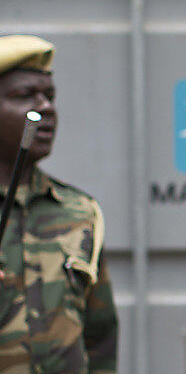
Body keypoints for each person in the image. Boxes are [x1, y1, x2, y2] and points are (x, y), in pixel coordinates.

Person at [0, 35, 118, 373]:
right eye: (24, 96)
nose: (46, 108)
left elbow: (101, 338)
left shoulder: (80, 213)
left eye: (50, 96)